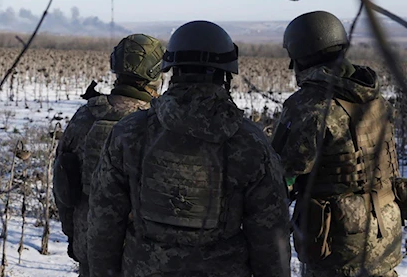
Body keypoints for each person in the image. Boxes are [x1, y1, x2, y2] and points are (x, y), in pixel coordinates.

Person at [87, 20, 291, 277]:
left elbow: (104, 223)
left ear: (170, 69)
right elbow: (270, 239)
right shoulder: (250, 142)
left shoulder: (129, 133)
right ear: (225, 74)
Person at [271, 10, 403, 277]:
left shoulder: (309, 106)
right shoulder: (376, 99)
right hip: (387, 233)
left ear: (300, 55)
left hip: (339, 244)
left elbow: (279, 173)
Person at [52, 33, 165, 277]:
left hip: (90, 245)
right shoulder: (160, 123)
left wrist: (73, 234)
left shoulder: (87, 115)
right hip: (144, 255)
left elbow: (62, 183)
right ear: (156, 72)